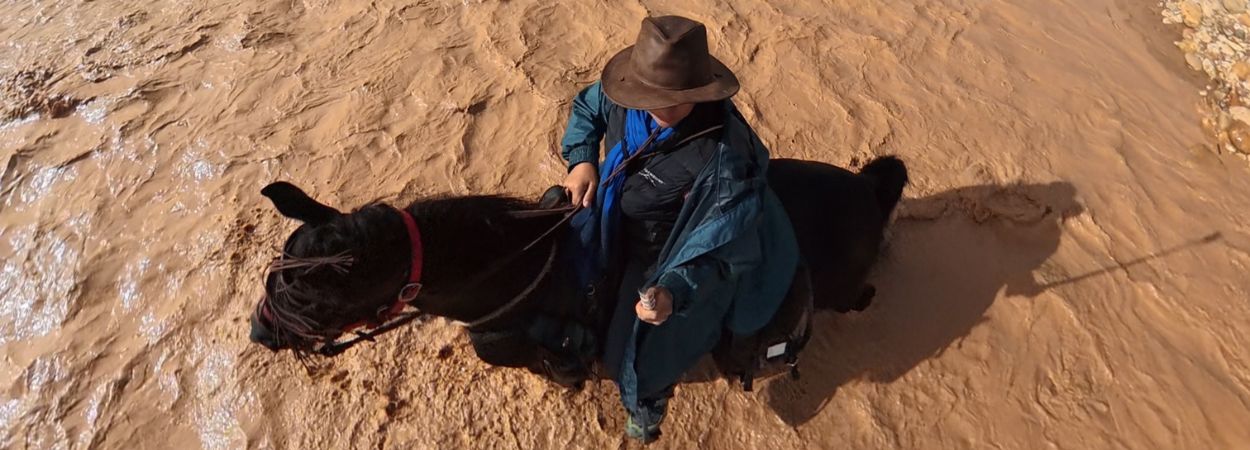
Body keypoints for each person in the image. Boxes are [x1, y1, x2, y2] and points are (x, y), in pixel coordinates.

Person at [557, 15, 799, 442]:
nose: (657, 108)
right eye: (648, 96)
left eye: (673, 99)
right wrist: (582, 159)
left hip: (667, 254)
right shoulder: (625, 97)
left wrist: (673, 291)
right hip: (616, 220)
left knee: (632, 359)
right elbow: (587, 108)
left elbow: (721, 243)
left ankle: (648, 407)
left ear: (700, 92)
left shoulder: (723, 160)